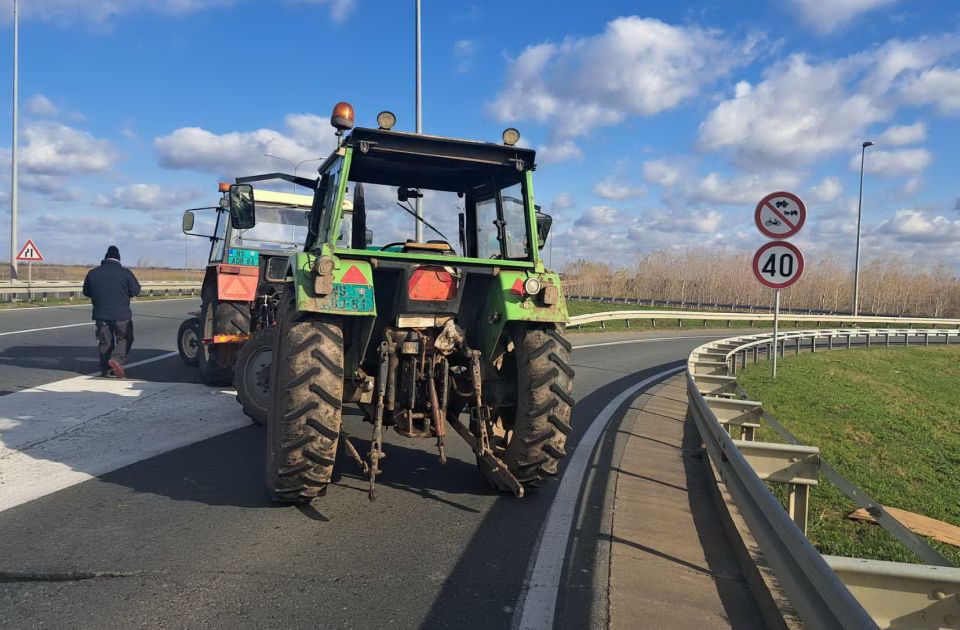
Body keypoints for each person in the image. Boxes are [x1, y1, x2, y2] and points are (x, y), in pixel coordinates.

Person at [82, 246, 141, 378]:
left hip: (101, 314)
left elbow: (86, 292)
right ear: (119, 259)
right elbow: (136, 290)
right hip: (122, 315)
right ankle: (117, 359)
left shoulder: (93, 273)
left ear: (105, 258)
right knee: (125, 337)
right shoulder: (125, 273)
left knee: (105, 341)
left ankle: (106, 370)